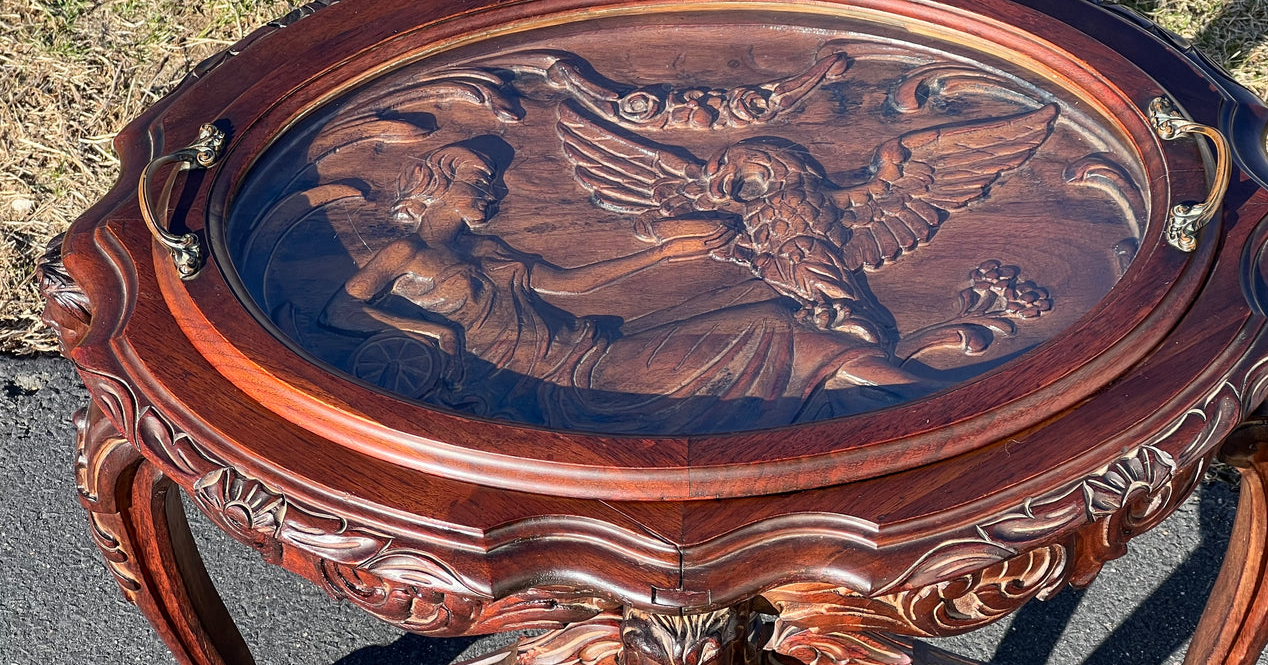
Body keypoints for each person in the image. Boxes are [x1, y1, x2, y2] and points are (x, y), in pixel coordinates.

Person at [321, 143, 938, 433]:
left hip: (591, 349)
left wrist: (664, 253)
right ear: (435, 180)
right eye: (478, 181)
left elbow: (569, 284)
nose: (492, 194)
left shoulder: (490, 249)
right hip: (553, 385)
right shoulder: (401, 253)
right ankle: (936, 413)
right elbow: (343, 311)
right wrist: (428, 329)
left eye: (492, 185)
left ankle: (931, 404)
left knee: (778, 310)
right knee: (779, 326)